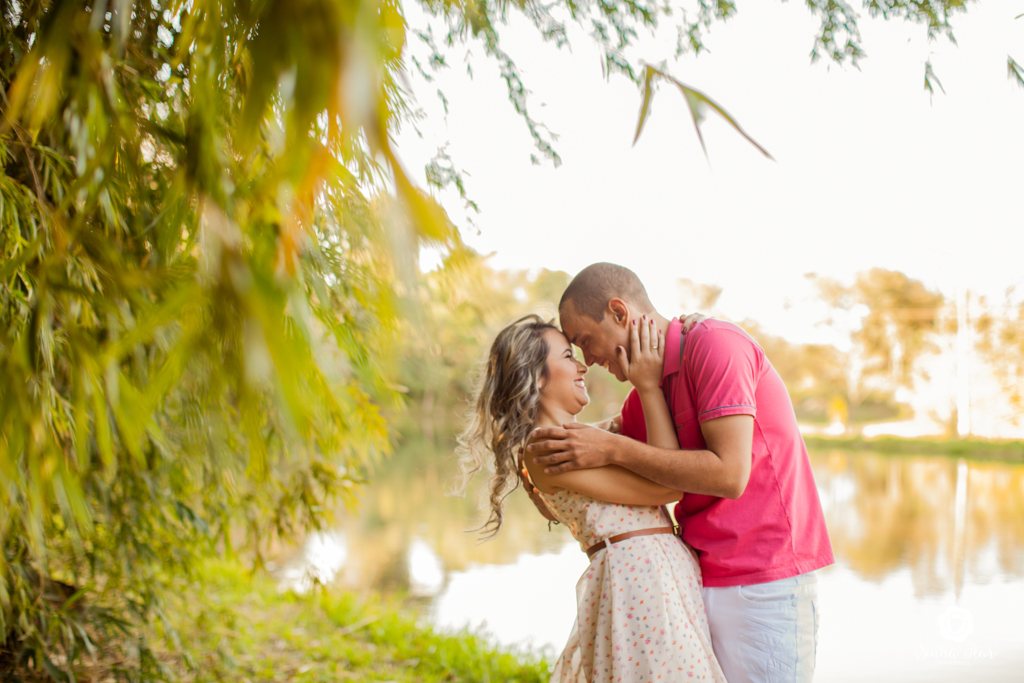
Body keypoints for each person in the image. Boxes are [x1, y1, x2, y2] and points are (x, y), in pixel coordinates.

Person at [527, 263, 834, 683]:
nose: (589, 360)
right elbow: (596, 460)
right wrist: (529, 453)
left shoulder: (715, 345)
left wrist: (612, 446)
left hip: (765, 578)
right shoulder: (642, 398)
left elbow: (730, 475)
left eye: (585, 341)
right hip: (695, 579)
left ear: (619, 312)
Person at [457, 314, 727, 683]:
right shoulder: (546, 449)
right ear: (536, 376)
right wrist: (646, 387)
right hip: (639, 586)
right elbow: (669, 487)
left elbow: (618, 428)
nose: (583, 365)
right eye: (568, 356)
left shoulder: (571, 438)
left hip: (654, 579)